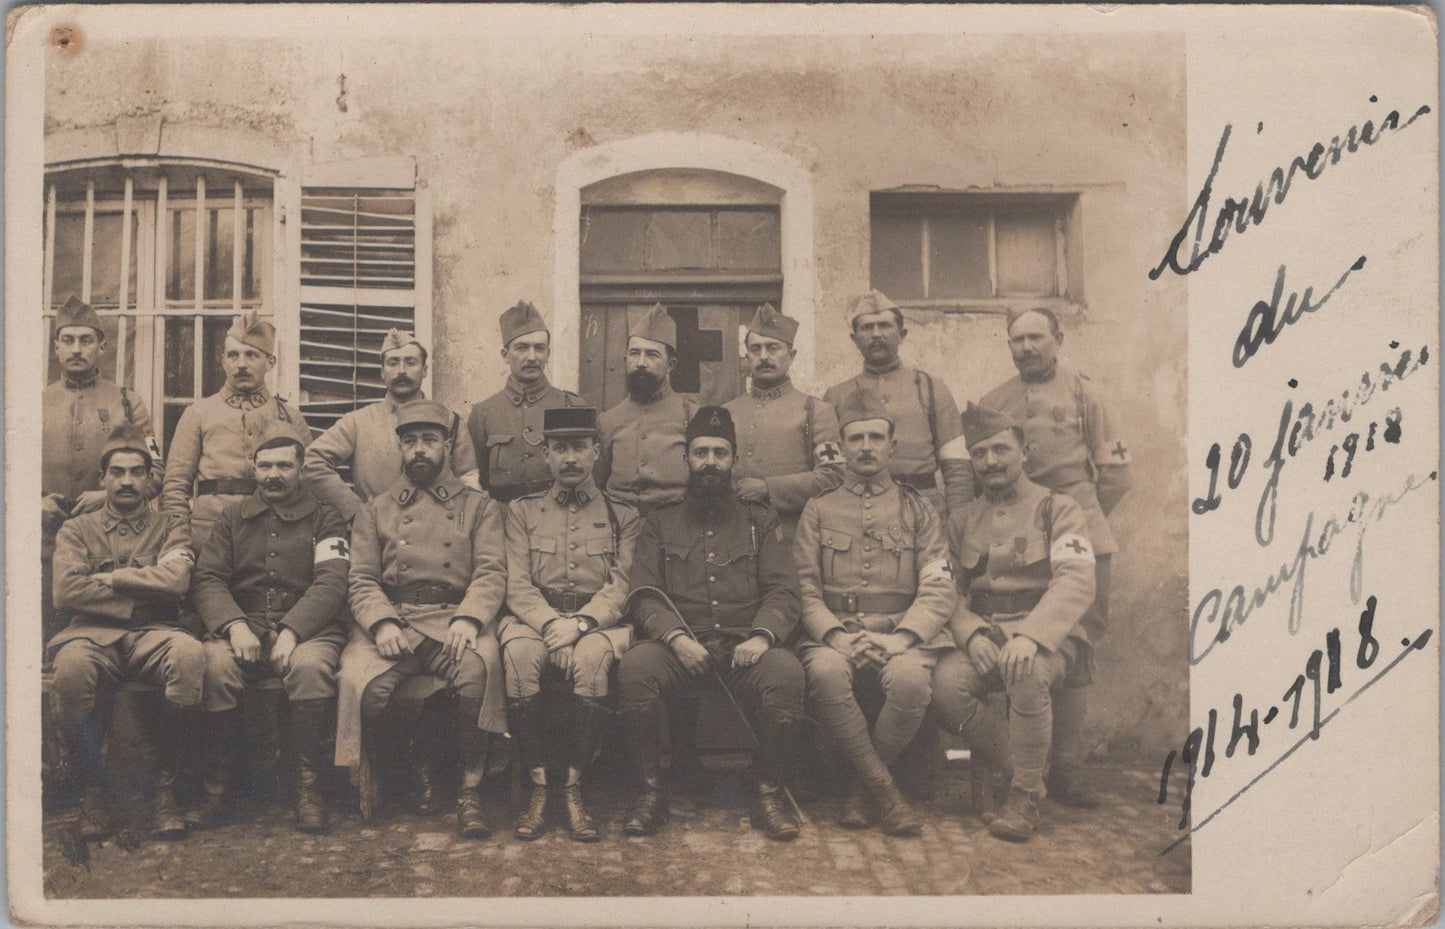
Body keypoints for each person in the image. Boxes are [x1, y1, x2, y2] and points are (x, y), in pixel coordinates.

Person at [618, 406, 807, 841]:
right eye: (701, 452)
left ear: (733, 459)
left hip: (745, 645)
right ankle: (651, 793)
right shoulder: (660, 521)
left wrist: (762, 637)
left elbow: (784, 590)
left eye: (720, 453)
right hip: (679, 646)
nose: (710, 462)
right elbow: (644, 592)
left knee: (786, 674)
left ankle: (767, 794)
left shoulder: (760, 520)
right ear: (686, 458)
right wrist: (676, 638)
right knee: (636, 669)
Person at [979, 306, 1132, 806]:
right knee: (1024, 646)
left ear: (1058, 338)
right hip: (1018, 537)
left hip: (1079, 527)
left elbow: (1115, 472)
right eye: (1017, 339)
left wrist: (1076, 514)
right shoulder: (997, 399)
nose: (1026, 348)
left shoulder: (1087, 391)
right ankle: (1021, 769)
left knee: (1077, 646)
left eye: (1036, 337)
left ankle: (1067, 769)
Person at [338, 399, 507, 839]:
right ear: (399, 446)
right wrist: (381, 622)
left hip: (453, 618)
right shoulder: (375, 509)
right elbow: (360, 579)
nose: (419, 450)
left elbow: (491, 571)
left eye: (429, 441)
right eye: (410, 441)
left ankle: (469, 790)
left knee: (478, 672)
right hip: (397, 618)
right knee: (366, 689)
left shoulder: (480, 506)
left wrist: (470, 619)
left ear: (447, 446)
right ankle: (410, 772)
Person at [793, 388, 957, 836]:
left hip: (901, 634)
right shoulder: (818, 509)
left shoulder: (919, 509)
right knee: (825, 673)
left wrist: (899, 639)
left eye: (876, 438)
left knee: (908, 681)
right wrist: (835, 636)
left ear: (892, 446)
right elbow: (804, 589)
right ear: (841, 447)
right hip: (835, 635)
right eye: (856, 438)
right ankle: (885, 792)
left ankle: (863, 789)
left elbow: (939, 587)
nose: (866, 447)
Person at [931, 402, 1097, 842]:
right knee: (944, 685)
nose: (991, 461)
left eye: (1001, 449)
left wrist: (1031, 637)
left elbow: (1076, 580)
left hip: (1047, 638)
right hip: (984, 632)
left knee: (1022, 671)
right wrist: (969, 634)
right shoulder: (963, 519)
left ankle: (1022, 797)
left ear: (1023, 451)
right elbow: (944, 589)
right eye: (980, 454)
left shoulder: (1057, 509)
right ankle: (1018, 767)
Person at [189, 421, 351, 834]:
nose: (273, 475)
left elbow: (333, 580)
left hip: (310, 632)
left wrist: (294, 630)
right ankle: (219, 788)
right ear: (254, 471)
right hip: (244, 628)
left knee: (311, 668)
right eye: (265, 467)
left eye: (284, 466)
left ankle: (307, 789)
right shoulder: (232, 519)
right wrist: (234, 626)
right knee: (214, 665)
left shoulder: (326, 519)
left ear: (301, 470)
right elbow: (208, 578)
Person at [49, 423, 202, 841]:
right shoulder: (77, 529)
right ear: (103, 479)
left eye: (137, 472)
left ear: (149, 478)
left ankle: (163, 790)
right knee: (70, 670)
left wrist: (112, 580)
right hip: (91, 635)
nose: (127, 481)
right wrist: (139, 591)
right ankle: (93, 793)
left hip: (154, 633)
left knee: (188, 656)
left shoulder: (171, 525)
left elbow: (176, 581)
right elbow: (66, 591)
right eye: (117, 472)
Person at [500, 402, 641, 841]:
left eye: (580, 447)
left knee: (594, 659)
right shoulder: (522, 512)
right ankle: (541, 789)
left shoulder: (624, 515)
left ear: (596, 451)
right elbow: (518, 585)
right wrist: (549, 626)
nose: (571, 458)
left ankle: (574, 788)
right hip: (534, 619)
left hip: (598, 624)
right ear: (546, 455)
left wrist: (579, 626)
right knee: (520, 657)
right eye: (560, 448)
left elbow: (620, 588)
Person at [43, 296, 163, 645]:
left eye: (86, 340)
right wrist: (32, 504)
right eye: (68, 340)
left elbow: (155, 469)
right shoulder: (31, 402)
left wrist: (106, 494)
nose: (76, 349)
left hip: (106, 543)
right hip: (42, 542)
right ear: (56, 347)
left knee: (98, 643)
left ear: (102, 346)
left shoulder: (126, 402)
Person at [159, 311, 309, 550]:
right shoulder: (198, 414)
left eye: (251, 355)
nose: (241, 364)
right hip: (209, 534)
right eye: (233, 355)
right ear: (223, 362)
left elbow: (307, 484)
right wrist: (178, 543)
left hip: (275, 535)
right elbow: (176, 486)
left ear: (270, 363)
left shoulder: (291, 417)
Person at [304, 328, 479, 523]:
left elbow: (468, 479)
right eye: (393, 363)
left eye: (410, 362)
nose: (401, 371)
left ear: (425, 370)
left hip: (436, 535)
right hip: (378, 533)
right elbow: (312, 462)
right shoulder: (358, 422)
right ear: (382, 372)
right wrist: (356, 511)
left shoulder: (450, 421)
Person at [824, 290, 970, 520]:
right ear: (854, 339)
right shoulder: (835, 396)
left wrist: (959, 523)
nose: (876, 334)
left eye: (884, 325)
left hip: (924, 510)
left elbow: (957, 467)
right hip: (860, 512)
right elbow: (831, 472)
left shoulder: (930, 388)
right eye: (866, 328)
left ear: (901, 334)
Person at [724, 302, 844, 546]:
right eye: (755, 349)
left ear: (791, 356)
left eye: (773, 348)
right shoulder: (728, 412)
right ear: (746, 357)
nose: (764, 356)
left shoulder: (815, 411)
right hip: (734, 538)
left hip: (793, 538)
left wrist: (769, 489)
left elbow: (834, 475)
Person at [466, 301, 583, 503]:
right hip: (504, 522)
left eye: (539, 348)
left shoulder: (571, 405)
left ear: (548, 354)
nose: (532, 357)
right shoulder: (484, 413)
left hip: (557, 520)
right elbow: (478, 479)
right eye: (522, 348)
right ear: (505, 355)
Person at [595, 303, 693, 514]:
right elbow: (596, 483)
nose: (640, 362)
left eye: (652, 355)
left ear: (671, 365)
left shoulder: (691, 415)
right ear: (625, 360)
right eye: (634, 353)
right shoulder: (608, 420)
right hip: (619, 528)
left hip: (674, 528)